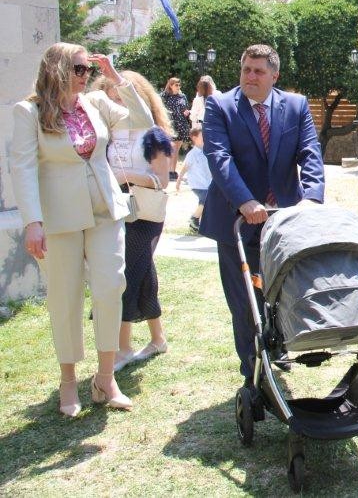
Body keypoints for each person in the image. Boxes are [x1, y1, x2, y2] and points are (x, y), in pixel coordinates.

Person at [10, 44, 149, 415]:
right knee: (65, 296)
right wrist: (33, 222)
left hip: (105, 210)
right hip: (59, 218)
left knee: (110, 286)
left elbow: (143, 120)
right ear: (57, 69)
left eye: (88, 69)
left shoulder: (96, 102)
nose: (85, 75)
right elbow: (23, 168)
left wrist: (116, 78)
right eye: (78, 68)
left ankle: (105, 378)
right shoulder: (29, 112)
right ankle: (68, 379)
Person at [199, 44, 325, 386]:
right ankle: (253, 373)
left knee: (282, 292)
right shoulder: (221, 106)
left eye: (258, 71)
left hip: (283, 220)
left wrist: (312, 198)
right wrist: (245, 201)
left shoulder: (295, 106)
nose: (250, 77)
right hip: (237, 221)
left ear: (274, 76)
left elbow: (310, 152)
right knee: (245, 302)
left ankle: (277, 348)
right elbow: (219, 159)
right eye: (246, 70)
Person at [92, 71, 175, 372]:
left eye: (122, 96)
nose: (116, 102)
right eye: (110, 96)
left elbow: (162, 181)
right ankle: (158, 339)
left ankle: (123, 348)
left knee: (125, 276)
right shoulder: (105, 135)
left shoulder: (153, 134)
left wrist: (123, 177)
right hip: (113, 211)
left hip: (144, 213)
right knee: (143, 273)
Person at [177, 126, 212, 235]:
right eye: (202, 135)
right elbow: (184, 168)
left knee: (207, 202)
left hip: (207, 183)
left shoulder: (207, 151)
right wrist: (178, 181)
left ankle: (199, 224)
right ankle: (194, 218)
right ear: (194, 138)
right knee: (205, 199)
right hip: (197, 184)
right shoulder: (192, 154)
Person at [159, 77, 190, 180]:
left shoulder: (182, 96)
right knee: (170, 149)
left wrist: (186, 112)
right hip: (170, 125)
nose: (178, 87)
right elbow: (159, 108)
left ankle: (172, 171)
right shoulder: (165, 96)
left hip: (181, 125)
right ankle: (167, 171)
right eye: (176, 85)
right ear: (171, 85)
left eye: (179, 85)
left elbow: (185, 109)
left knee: (176, 150)